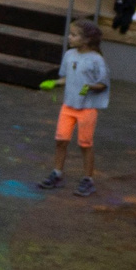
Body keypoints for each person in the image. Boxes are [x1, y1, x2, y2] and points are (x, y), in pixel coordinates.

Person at [37, 21, 110, 195]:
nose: (69, 37)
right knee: (61, 140)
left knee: (85, 144)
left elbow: (103, 83)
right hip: (68, 105)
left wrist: (91, 87)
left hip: (87, 108)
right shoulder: (69, 55)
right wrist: (54, 82)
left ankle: (88, 179)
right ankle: (57, 172)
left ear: (86, 40)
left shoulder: (96, 60)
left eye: (74, 35)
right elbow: (68, 78)